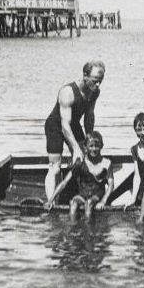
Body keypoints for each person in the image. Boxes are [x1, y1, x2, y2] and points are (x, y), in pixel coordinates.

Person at [44, 60, 105, 201]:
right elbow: (64, 125)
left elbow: (89, 116)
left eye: (100, 81)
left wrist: (89, 139)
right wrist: (76, 148)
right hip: (56, 125)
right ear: (85, 75)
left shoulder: (95, 92)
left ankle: (79, 194)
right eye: (95, 81)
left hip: (74, 124)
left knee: (84, 159)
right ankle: (50, 202)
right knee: (55, 166)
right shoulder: (67, 92)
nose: (98, 85)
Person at [44, 131, 115, 220]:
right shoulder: (80, 163)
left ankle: (88, 227)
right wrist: (50, 200)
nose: (94, 149)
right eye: (91, 146)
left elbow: (111, 185)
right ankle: (73, 226)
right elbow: (64, 182)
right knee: (73, 203)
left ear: (101, 146)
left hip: (97, 196)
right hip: (82, 195)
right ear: (85, 147)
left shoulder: (106, 163)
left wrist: (103, 201)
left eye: (97, 146)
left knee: (89, 203)